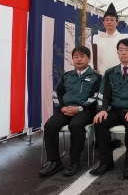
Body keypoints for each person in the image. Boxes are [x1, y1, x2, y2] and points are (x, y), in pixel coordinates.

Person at [90, 39, 128, 179]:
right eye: (121, 50)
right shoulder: (110, 73)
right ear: (117, 53)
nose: (123, 52)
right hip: (115, 111)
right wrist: (102, 109)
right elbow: (103, 94)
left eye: (127, 49)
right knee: (100, 121)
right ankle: (106, 162)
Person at [40, 46, 101, 177]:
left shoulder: (96, 77)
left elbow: (96, 96)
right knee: (50, 126)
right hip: (66, 109)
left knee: (76, 125)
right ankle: (55, 161)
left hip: (86, 110)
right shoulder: (66, 76)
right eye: (76, 57)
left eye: (82, 56)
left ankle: (74, 162)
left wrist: (80, 108)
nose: (79, 59)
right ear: (72, 59)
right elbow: (57, 93)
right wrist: (61, 107)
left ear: (89, 59)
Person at [92, 4, 128, 74]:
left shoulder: (123, 39)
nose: (109, 22)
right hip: (100, 75)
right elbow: (93, 59)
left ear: (117, 22)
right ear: (103, 22)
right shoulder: (98, 39)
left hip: (118, 75)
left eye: (112, 20)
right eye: (107, 20)